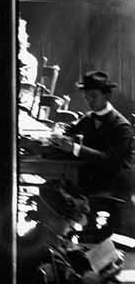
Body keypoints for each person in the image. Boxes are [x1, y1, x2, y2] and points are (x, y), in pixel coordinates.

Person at [49, 71, 135, 203]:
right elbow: (70, 131)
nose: (89, 100)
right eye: (87, 97)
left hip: (114, 193)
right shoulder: (88, 118)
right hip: (88, 188)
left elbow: (109, 160)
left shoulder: (122, 127)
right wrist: (60, 133)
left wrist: (75, 148)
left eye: (93, 96)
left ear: (107, 96)